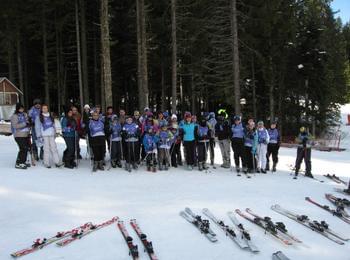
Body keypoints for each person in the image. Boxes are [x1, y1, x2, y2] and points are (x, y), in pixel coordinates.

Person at [11, 103, 31, 169]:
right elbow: (15, 126)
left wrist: (29, 123)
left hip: (25, 134)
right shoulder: (15, 116)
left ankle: (23, 161)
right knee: (23, 148)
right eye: (20, 108)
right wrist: (25, 124)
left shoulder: (24, 114)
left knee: (25, 148)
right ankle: (19, 163)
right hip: (18, 135)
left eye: (22, 108)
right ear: (17, 109)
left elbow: (27, 121)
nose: (21, 110)